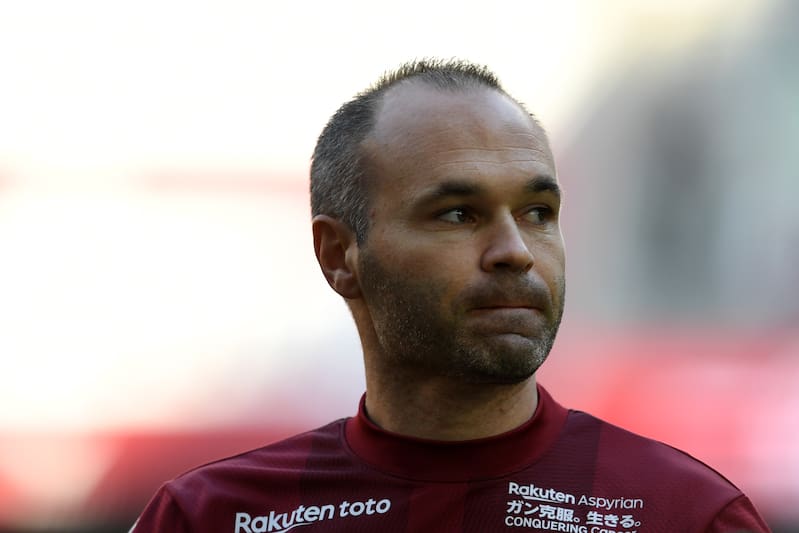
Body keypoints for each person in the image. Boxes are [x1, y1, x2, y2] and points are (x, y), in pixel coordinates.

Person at [131, 59, 770, 533]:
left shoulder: (687, 515)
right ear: (339, 255)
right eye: (459, 214)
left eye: (539, 211)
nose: (516, 249)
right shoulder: (209, 516)